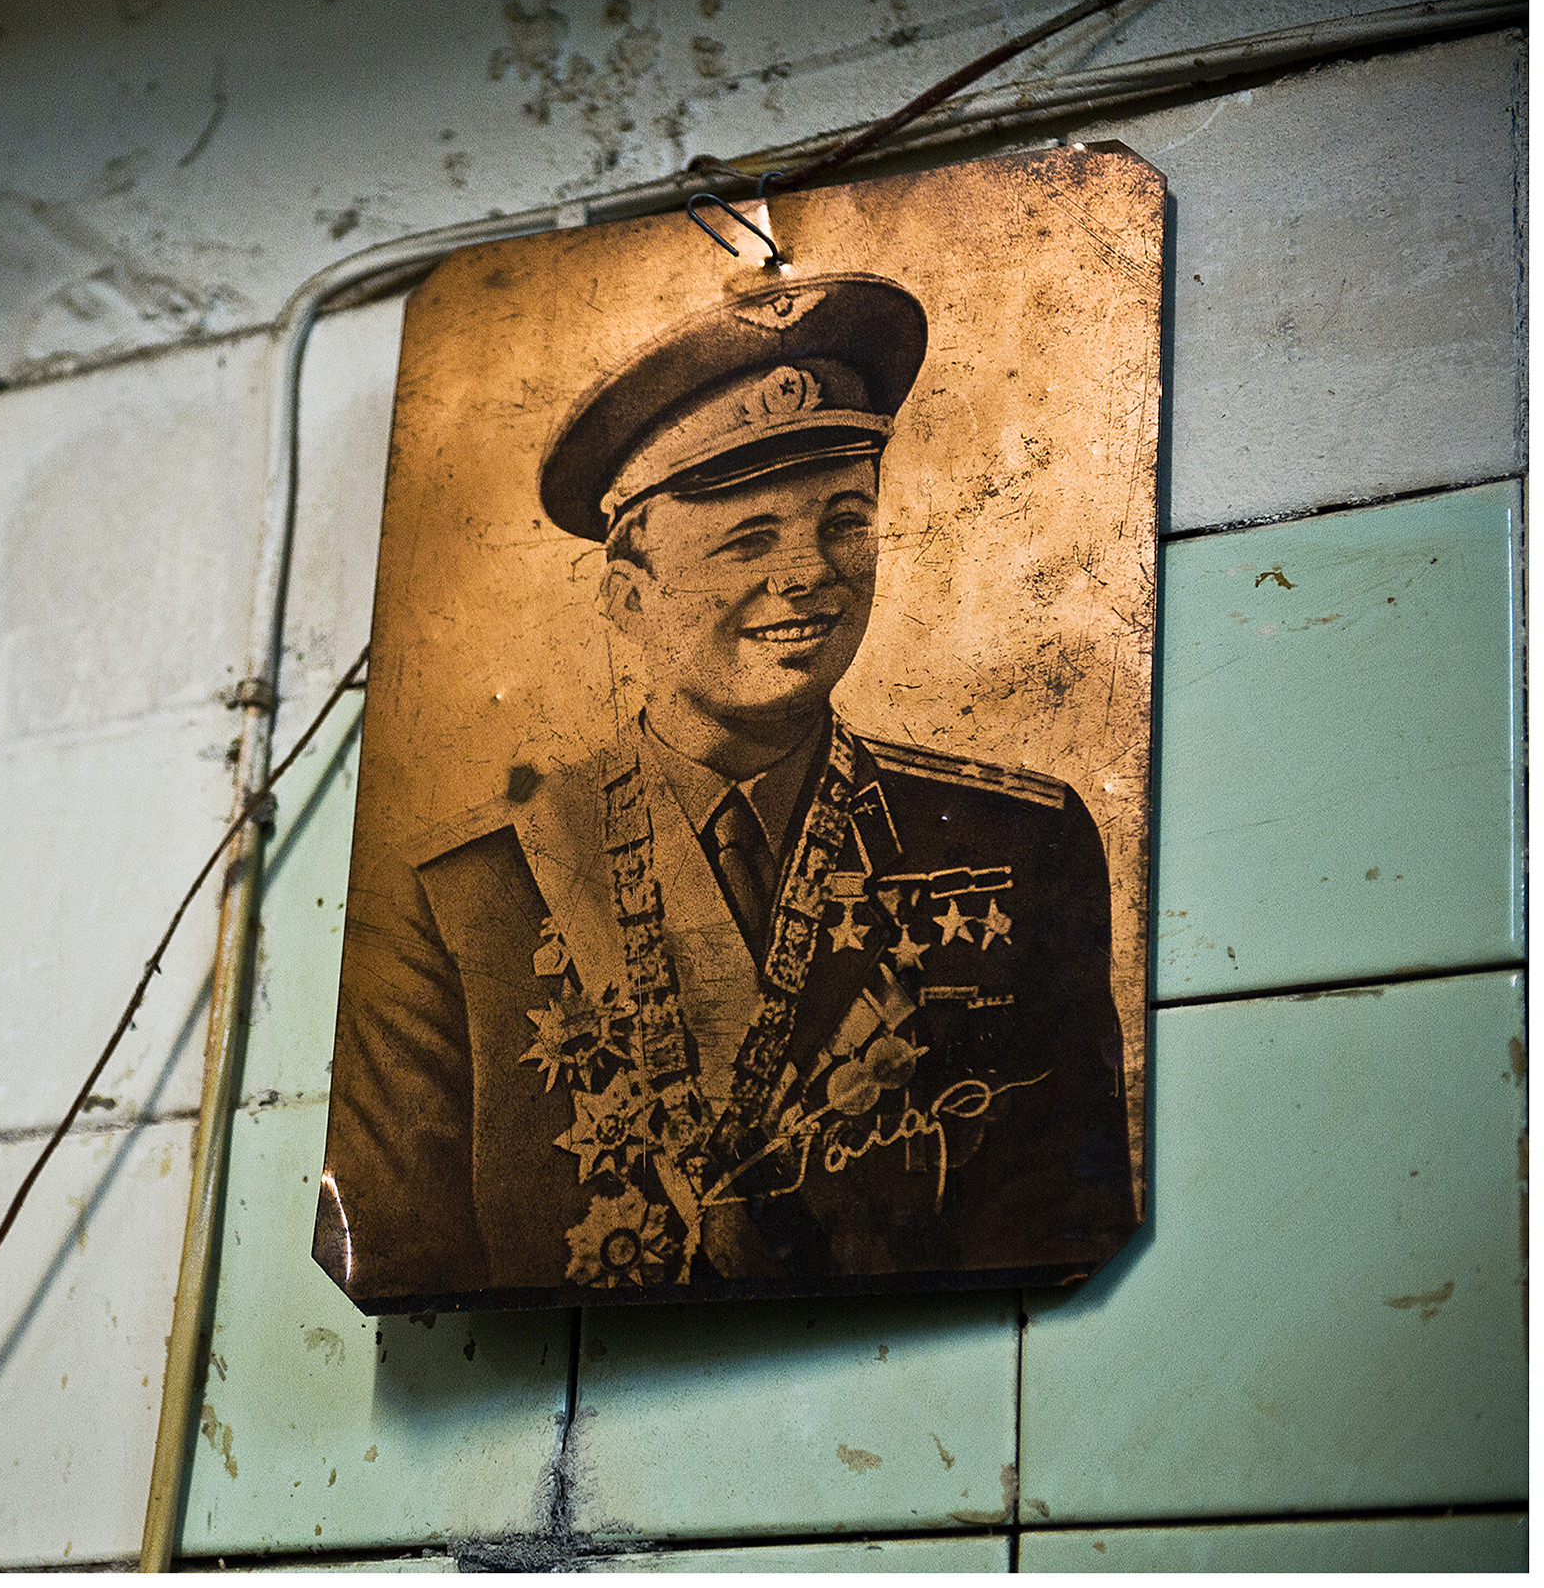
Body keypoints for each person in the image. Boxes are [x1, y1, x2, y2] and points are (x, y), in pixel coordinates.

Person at [315, 271, 1137, 1312]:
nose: (811, 574)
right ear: (628, 593)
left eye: (845, 521)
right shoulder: (456, 901)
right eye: (749, 538)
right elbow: (408, 1279)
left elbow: (1060, 1226)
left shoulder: (1016, 845)